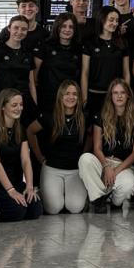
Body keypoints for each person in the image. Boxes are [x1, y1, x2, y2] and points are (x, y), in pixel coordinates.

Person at [30, 81, 91, 215]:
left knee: (75, 208)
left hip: (75, 170)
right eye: (67, 94)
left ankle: (69, 195)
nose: (71, 97)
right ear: (60, 96)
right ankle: (47, 191)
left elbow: (91, 134)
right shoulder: (50, 115)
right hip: (52, 168)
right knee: (53, 209)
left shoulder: (84, 116)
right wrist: (39, 156)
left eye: (75, 94)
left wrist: (84, 155)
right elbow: (30, 131)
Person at [80, 78, 134, 212]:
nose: (119, 96)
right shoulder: (101, 116)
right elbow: (97, 148)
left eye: (122, 93)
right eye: (115, 93)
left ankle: (113, 200)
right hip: (103, 162)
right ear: (110, 96)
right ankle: (98, 199)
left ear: (128, 95)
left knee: (128, 185)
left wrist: (115, 171)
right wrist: (107, 167)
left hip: (123, 165)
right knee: (85, 159)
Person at [0, 88, 43, 222]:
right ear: (3, 107)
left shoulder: (20, 128)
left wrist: (29, 187)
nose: (19, 108)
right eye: (14, 105)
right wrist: (11, 190)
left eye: (21, 105)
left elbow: (26, 160)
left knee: (35, 209)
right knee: (17, 212)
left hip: (16, 182)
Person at [0, 15, 37, 126]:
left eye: (23, 29)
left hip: (24, 104)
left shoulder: (27, 53)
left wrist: (34, 105)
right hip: (3, 105)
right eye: (16, 28)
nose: (19, 32)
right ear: (9, 28)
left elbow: (31, 84)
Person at [81, 6, 128, 128]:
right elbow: (85, 72)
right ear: (102, 19)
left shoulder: (122, 43)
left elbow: (126, 72)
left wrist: (126, 94)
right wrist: (84, 97)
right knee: (90, 131)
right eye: (111, 20)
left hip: (114, 95)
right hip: (94, 94)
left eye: (117, 21)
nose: (114, 23)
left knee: (112, 129)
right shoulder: (90, 43)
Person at [34, 13, 82, 115]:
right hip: (48, 98)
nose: (67, 30)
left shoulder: (78, 49)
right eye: (63, 26)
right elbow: (34, 75)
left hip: (70, 100)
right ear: (57, 27)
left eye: (71, 27)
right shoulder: (45, 46)